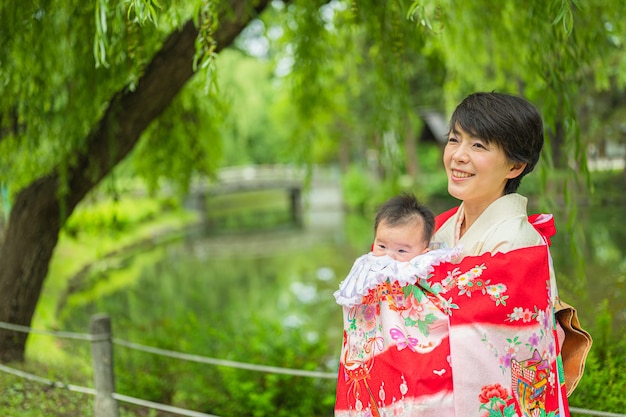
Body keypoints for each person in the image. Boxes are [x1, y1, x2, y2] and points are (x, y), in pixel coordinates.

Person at [334, 92, 590, 417]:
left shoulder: (519, 243)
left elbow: (485, 339)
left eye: (478, 146)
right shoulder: (440, 228)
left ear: (515, 165)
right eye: (455, 140)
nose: (458, 156)